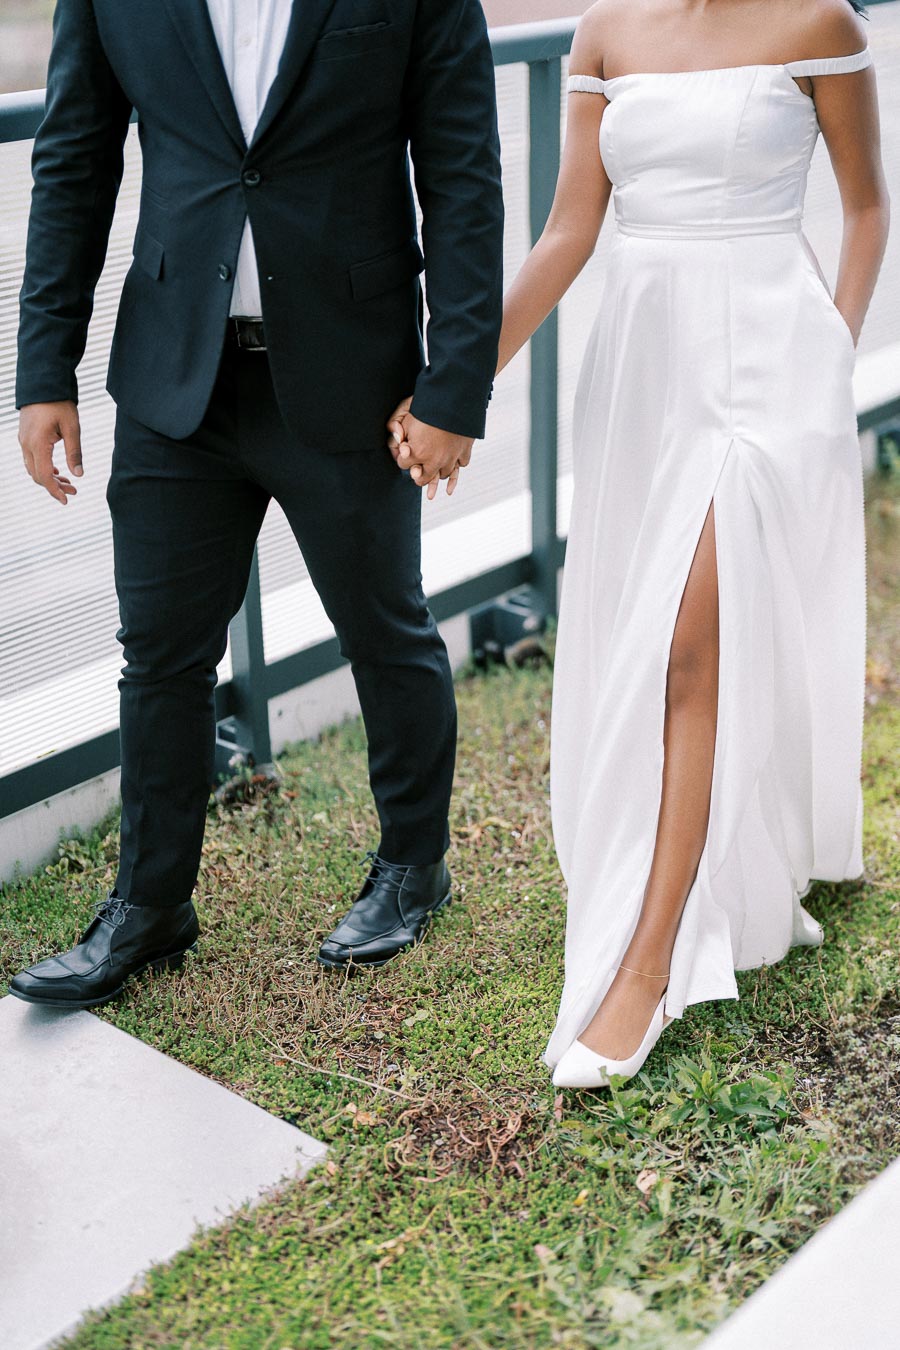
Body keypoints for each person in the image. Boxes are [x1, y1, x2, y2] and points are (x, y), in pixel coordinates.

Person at [393, 0, 889, 1087]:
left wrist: (829, 356)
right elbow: (571, 231)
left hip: (772, 375)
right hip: (646, 377)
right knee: (655, 637)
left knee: (689, 650)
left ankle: (649, 968)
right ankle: (726, 879)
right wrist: (455, 390)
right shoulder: (605, 34)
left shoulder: (822, 22)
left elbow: (864, 212)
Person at [10, 0, 504, 1010]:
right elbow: (74, 162)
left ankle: (415, 863)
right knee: (160, 654)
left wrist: (454, 386)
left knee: (383, 627)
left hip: (350, 378)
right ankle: (150, 905)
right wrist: (42, 370)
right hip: (173, 380)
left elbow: (463, 177)